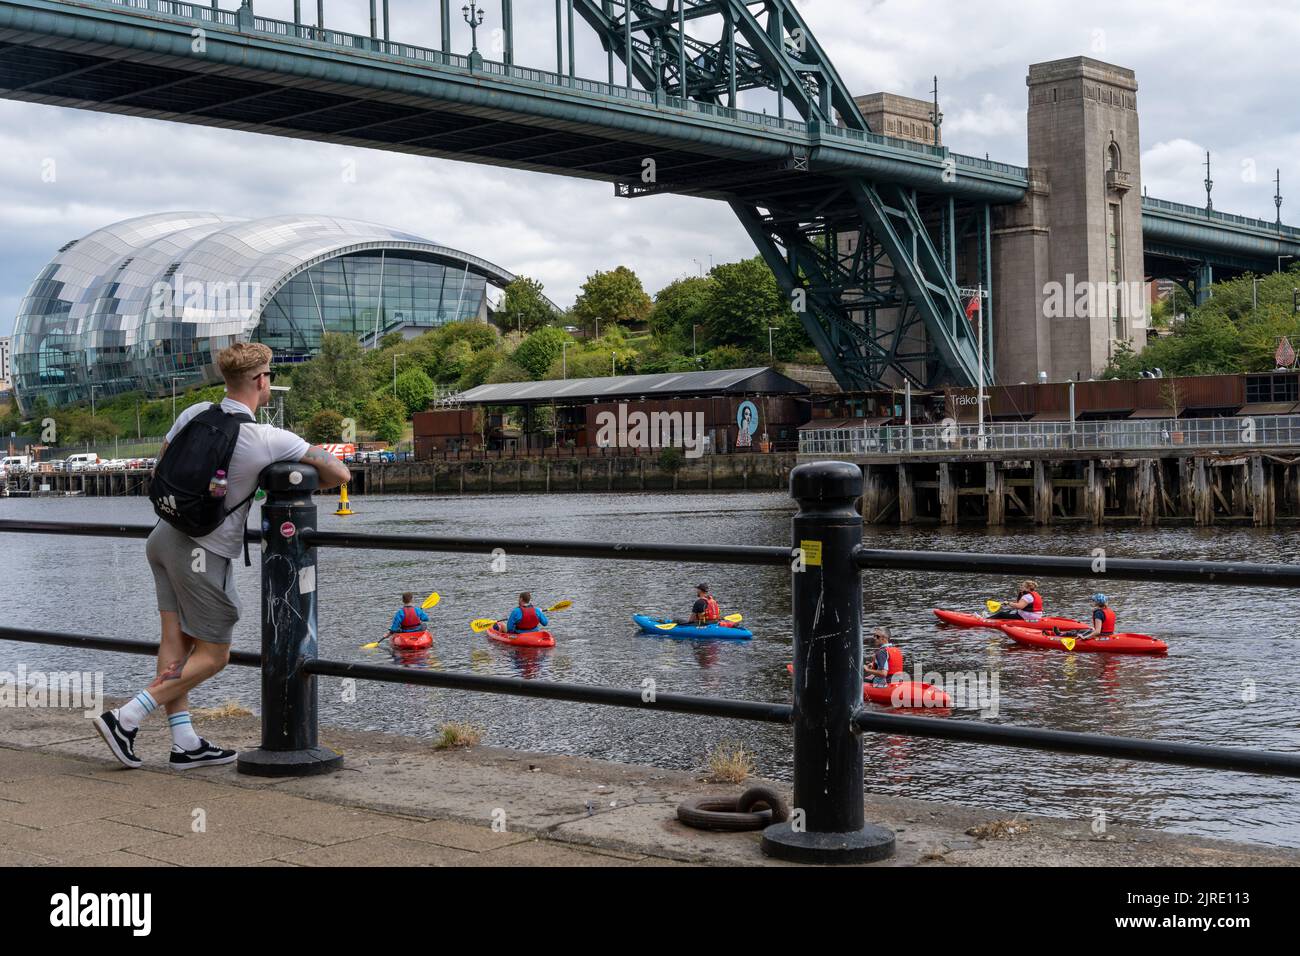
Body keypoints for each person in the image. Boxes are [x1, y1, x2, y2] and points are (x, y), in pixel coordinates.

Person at [92, 342, 350, 770]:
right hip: (203, 550)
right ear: (262, 381)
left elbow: (162, 468)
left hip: (163, 537)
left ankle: (185, 741)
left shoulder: (194, 414)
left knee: (176, 640)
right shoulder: (268, 439)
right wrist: (285, 483)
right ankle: (127, 717)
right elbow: (338, 472)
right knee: (214, 654)